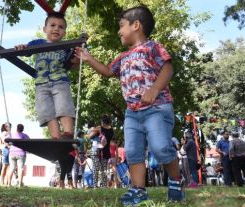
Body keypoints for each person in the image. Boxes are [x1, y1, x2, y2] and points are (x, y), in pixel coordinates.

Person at [75, 5, 184, 204]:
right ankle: (138, 190)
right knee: (133, 152)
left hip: (157, 108)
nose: (118, 31)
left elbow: (167, 69)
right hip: (132, 114)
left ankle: (176, 180)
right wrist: (89, 59)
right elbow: (108, 72)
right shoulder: (122, 57)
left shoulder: (152, 47)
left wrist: (154, 89)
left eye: (121, 26)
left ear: (136, 25)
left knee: (160, 148)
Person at [15, 12, 79, 139]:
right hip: (41, 84)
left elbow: (72, 65)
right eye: (53, 25)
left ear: (64, 32)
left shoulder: (66, 47)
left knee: (63, 105)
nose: (56, 29)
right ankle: (55, 137)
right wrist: (21, 47)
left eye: (61, 27)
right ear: (45, 29)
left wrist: (76, 62)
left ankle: (68, 133)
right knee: (46, 111)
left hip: (60, 81)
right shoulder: (38, 43)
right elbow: (26, 51)